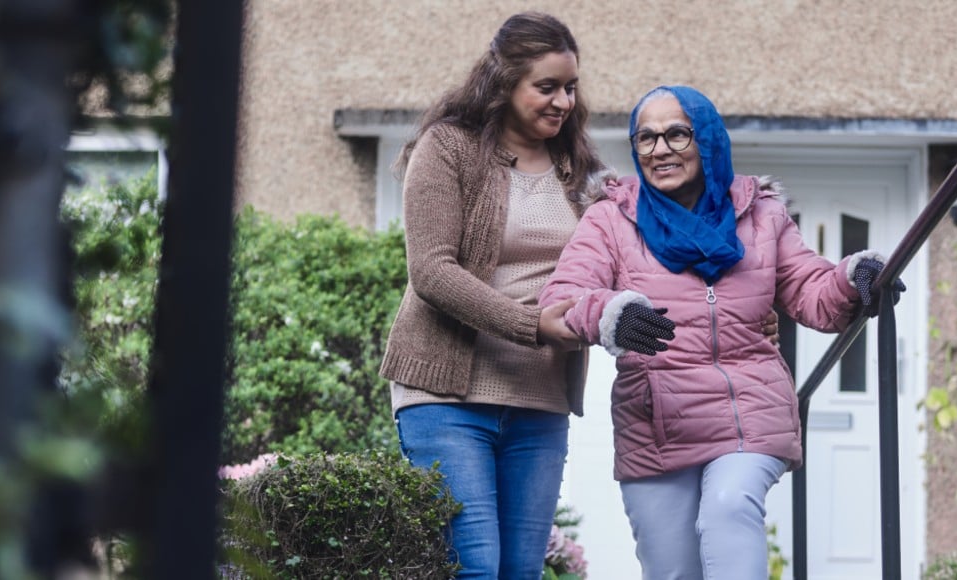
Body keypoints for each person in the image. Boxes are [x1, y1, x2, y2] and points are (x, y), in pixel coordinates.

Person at [377, 17, 780, 576]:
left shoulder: (584, 174)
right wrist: (535, 324)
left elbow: (648, 264)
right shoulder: (449, 149)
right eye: (547, 87)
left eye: (570, 87)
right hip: (446, 396)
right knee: (473, 567)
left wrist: (746, 313)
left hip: (538, 399)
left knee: (520, 570)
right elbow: (432, 271)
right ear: (502, 81)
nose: (564, 100)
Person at [538, 85, 905, 579]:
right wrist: (609, 313)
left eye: (676, 134)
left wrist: (858, 276)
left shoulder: (762, 215)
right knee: (673, 572)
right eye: (645, 138)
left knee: (730, 506)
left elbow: (812, 292)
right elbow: (564, 298)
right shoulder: (611, 220)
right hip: (658, 426)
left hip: (748, 416)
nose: (659, 149)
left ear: (707, 139)